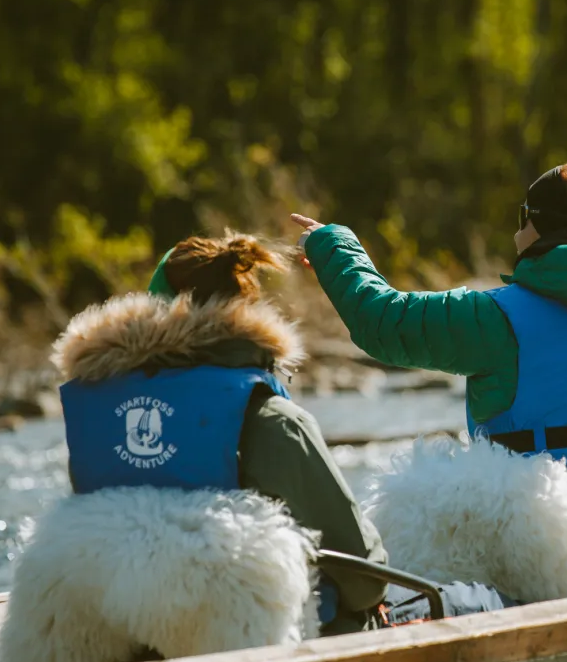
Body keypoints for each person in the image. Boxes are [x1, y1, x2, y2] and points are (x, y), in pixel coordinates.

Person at [290, 160, 567, 583]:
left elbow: (381, 321)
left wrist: (330, 242)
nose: (514, 235)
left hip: (555, 563)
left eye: (521, 219)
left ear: (540, 227)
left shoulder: (494, 317)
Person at [57, 233, 389, 636]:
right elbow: (365, 577)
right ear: (246, 311)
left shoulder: (98, 412)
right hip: (251, 639)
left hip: (123, 634)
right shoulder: (270, 417)